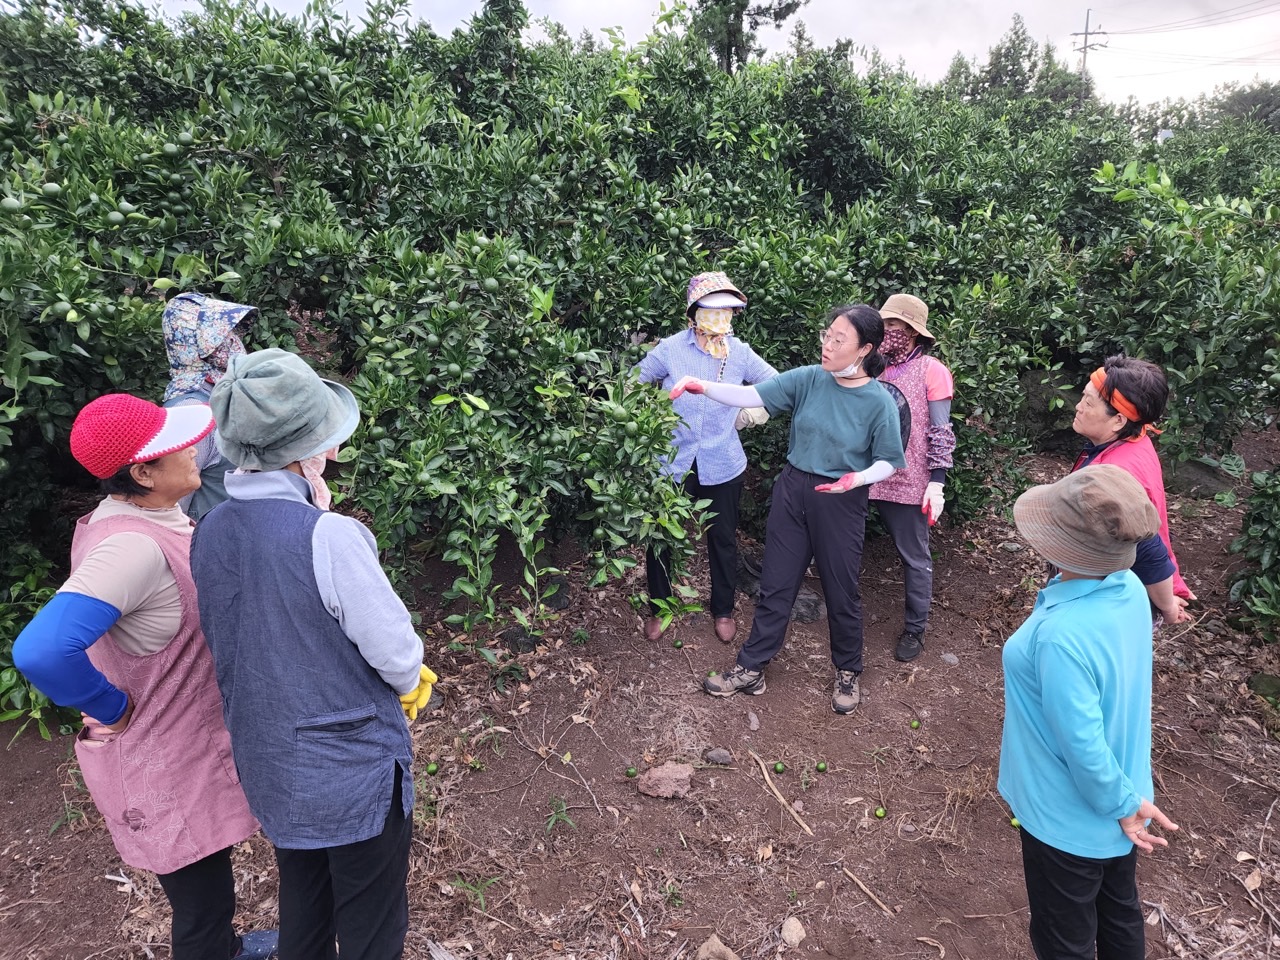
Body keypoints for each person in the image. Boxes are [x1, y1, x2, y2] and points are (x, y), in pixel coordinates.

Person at [190, 349, 437, 960]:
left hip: (270, 761)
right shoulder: (330, 536)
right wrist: (324, 525)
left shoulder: (208, 530)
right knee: (372, 925)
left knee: (304, 902)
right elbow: (399, 658)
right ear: (304, 456)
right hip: (352, 772)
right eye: (324, 441)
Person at [12, 394, 278, 960]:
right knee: (201, 908)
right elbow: (41, 650)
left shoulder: (138, 519)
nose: (192, 449)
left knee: (207, 891)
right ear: (143, 472)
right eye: (174, 446)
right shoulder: (130, 547)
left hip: (183, 748)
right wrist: (108, 705)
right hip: (162, 758)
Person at [670, 304, 906, 714]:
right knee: (776, 583)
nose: (828, 345)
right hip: (794, 488)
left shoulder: (878, 402)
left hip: (841, 497)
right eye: (826, 334)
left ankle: (848, 669)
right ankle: (751, 667)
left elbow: (889, 458)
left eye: (839, 339)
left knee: (840, 588)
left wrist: (860, 479)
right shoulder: (810, 378)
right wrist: (701, 385)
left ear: (865, 348)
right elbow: (751, 394)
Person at [1000, 464, 1179, 960]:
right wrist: (1128, 802)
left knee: (1064, 938)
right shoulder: (1126, 592)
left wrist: (1119, 806)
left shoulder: (1061, 636)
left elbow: (1082, 743)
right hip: (1128, 792)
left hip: (1070, 814)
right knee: (1119, 908)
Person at [637, 271, 777, 643]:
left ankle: (723, 608)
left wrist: (749, 414)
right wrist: (653, 411)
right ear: (694, 312)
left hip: (723, 460)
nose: (720, 317)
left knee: (722, 538)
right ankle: (660, 607)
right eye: (712, 310)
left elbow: (778, 387)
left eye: (727, 310)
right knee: (661, 535)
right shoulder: (670, 348)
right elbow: (633, 384)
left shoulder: (740, 354)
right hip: (672, 460)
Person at [163, 292, 337, 516]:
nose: (234, 341)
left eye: (232, 333)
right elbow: (172, 503)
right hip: (218, 538)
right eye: (222, 337)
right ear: (197, 346)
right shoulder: (191, 411)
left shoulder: (220, 391)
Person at [1070, 356, 1193, 625]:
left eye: (1088, 402)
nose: (1078, 407)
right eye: (1083, 397)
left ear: (1118, 421)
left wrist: (1167, 605)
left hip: (1108, 603)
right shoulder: (1135, 439)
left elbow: (1147, 546)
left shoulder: (1113, 475)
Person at [868, 294, 957, 662]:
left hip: (909, 480)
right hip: (865, 474)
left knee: (914, 556)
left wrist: (936, 480)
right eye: (884, 324)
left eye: (894, 326)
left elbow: (940, 431)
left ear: (912, 332)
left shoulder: (932, 370)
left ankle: (915, 628)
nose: (887, 332)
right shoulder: (872, 365)